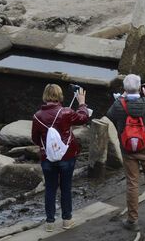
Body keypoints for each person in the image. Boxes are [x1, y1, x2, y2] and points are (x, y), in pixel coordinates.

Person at [106, 74, 145, 232]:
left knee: (132, 184)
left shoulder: (119, 104)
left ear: (125, 89)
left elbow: (110, 115)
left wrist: (121, 98)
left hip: (128, 150)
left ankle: (132, 220)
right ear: (140, 88)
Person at [31, 84, 91, 232]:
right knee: (66, 188)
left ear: (45, 96)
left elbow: (35, 139)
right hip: (67, 156)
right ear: (60, 96)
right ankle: (66, 220)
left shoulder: (37, 116)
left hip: (47, 158)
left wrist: (48, 148)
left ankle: (50, 223)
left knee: (50, 189)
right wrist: (82, 103)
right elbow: (83, 118)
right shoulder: (66, 112)